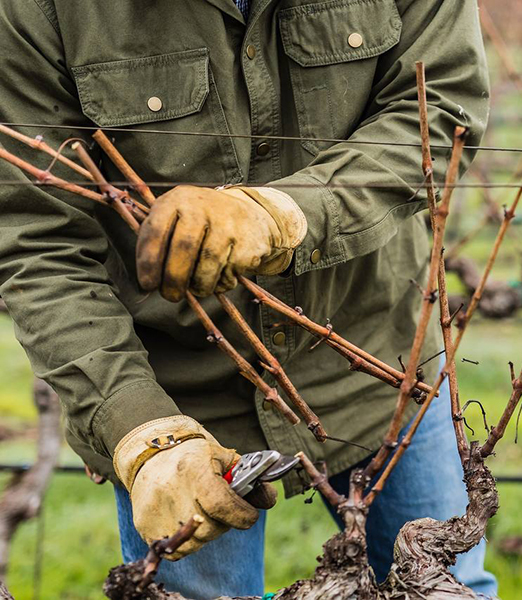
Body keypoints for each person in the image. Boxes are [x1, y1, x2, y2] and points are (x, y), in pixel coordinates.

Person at [0, 0, 496, 597]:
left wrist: (288, 213)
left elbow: (441, 108)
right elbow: (38, 241)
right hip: (180, 398)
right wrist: (136, 428)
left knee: (446, 586)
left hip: (381, 359)